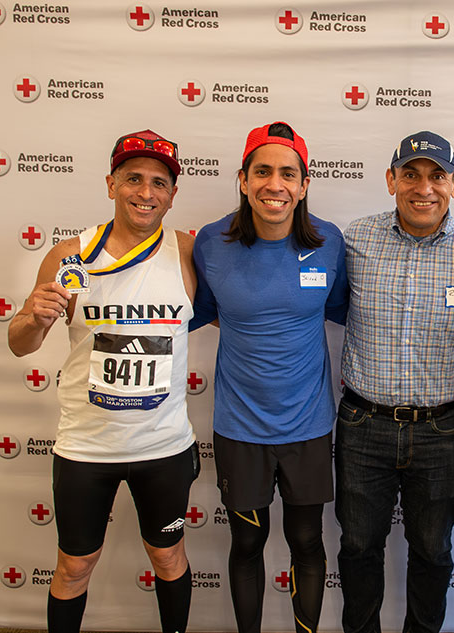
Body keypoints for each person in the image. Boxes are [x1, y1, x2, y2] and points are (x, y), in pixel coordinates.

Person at [7, 129, 198, 633]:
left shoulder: (187, 252)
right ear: (111, 183)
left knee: (168, 556)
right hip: (86, 448)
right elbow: (20, 343)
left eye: (159, 182)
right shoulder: (70, 256)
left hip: (163, 445)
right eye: (133, 178)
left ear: (173, 194)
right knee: (73, 565)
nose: (146, 192)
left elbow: (242, 313)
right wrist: (33, 315)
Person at [335, 131, 454, 633]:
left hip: (442, 430)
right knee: (357, 546)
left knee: (433, 549)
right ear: (390, 179)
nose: (424, 188)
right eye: (410, 174)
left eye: (437, 175)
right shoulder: (355, 239)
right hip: (362, 422)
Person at [190, 121, 348, 633]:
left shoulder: (328, 243)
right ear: (242, 179)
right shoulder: (212, 242)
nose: (274, 184)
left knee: (307, 541)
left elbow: (343, 310)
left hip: (308, 426)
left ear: (304, 184)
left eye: (287, 173)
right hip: (239, 428)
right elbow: (201, 311)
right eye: (262, 172)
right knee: (247, 543)